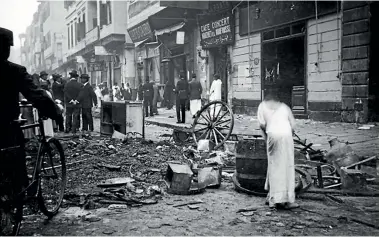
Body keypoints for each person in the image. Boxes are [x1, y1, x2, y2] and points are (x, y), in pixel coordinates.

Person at [0, 27, 60, 224]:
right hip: (6, 129)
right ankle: (19, 201)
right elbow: (37, 96)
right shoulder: (13, 71)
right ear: (6, 48)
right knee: (14, 164)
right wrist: (56, 113)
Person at [257, 93, 299, 210]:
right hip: (286, 136)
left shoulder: (262, 106)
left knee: (274, 166)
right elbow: (293, 125)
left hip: (273, 136)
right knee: (287, 167)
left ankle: (272, 199)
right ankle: (287, 200)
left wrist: (267, 139)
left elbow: (262, 125)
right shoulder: (284, 107)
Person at [63, 70, 82, 134]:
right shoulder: (80, 85)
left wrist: (71, 100)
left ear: (70, 77)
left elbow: (66, 93)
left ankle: (67, 129)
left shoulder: (67, 84)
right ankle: (74, 129)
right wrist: (76, 100)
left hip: (69, 103)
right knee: (75, 116)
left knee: (68, 115)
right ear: (76, 77)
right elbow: (81, 94)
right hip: (77, 103)